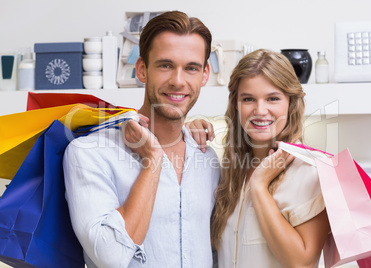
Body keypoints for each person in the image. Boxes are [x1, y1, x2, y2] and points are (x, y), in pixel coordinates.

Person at [63, 11, 220, 268]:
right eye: (165, 65)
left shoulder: (207, 157)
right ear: (142, 70)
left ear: (204, 74)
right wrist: (153, 160)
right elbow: (110, 257)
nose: (178, 81)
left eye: (191, 68)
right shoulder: (89, 153)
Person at [186, 49, 331, 267]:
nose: (260, 110)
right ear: (236, 104)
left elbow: (302, 263)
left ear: (290, 103)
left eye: (272, 98)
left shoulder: (311, 172)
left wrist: (260, 186)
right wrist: (186, 134)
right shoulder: (230, 171)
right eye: (248, 99)